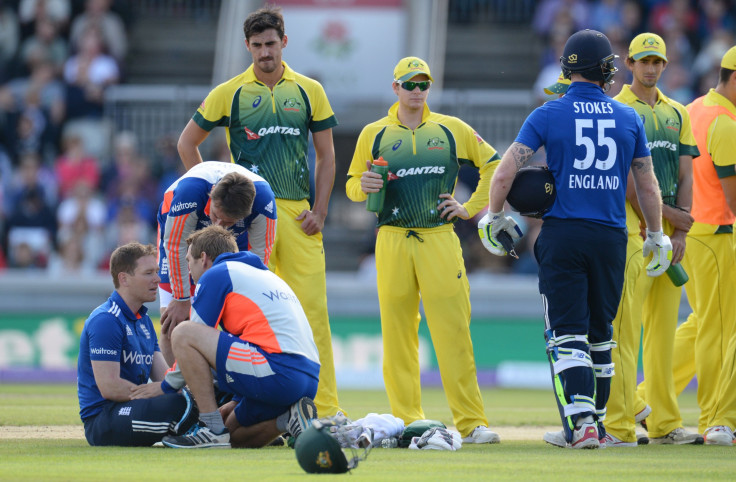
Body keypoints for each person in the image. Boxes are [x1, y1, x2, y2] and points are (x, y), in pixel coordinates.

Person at [482, 29, 670, 449]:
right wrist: (656, 234)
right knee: (601, 333)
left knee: (566, 333)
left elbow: (506, 171)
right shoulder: (629, 117)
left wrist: (493, 215)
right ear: (605, 69)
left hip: (564, 233)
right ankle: (596, 426)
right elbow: (647, 185)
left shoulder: (548, 113)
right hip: (611, 237)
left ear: (568, 69)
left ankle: (582, 424)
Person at [175, 5, 343, 417]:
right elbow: (186, 143)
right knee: (248, 308)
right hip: (248, 216)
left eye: (271, 44)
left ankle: (322, 410)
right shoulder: (229, 92)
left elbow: (326, 156)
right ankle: (254, 408)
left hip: (299, 216)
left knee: (312, 313)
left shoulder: (309, 90)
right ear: (247, 46)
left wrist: (320, 210)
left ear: (284, 42)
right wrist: (215, 198)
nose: (265, 52)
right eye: (257, 45)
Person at [346, 56, 501, 445]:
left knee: (453, 332)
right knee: (397, 334)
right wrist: (361, 186)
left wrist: (470, 207)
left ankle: (471, 422)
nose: (417, 91)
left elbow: (495, 165)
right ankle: (406, 419)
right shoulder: (374, 133)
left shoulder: (450, 129)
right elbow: (351, 184)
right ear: (395, 88)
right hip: (392, 238)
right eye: (409, 84)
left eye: (423, 84)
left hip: (438, 237)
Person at [131, 225, 320, 449]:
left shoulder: (217, 274)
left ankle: (211, 430)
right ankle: (289, 419)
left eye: (189, 261)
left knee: (182, 332)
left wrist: (165, 386)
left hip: (276, 368)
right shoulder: (265, 275)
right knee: (232, 431)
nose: (188, 270)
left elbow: (192, 338)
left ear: (204, 258)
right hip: (308, 378)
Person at [603, 32, 702, 447]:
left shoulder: (677, 111)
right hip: (633, 234)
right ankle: (620, 423)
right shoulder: (617, 109)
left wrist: (679, 233)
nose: (650, 68)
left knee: (662, 336)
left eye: (657, 61)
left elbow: (685, 175)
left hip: (669, 238)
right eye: (643, 60)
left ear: (665, 64)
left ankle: (663, 423)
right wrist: (665, 224)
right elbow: (628, 182)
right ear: (630, 63)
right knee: (626, 333)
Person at [77, 242, 197, 446]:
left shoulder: (144, 320)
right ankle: (199, 429)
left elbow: (165, 377)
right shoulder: (106, 320)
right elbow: (110, 387)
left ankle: (204, 426)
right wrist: (156, 394)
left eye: (157, 272)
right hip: (103, 419)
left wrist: (194, 391)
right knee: (177, 405)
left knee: (201, 395)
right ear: (124, 278)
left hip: (132, 408)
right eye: (148, 273)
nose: (158, 279)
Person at [157, 161, 275, 366]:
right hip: (181, 232)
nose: (217, 225)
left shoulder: (264, 202)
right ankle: (178, 392)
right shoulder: (190, 192)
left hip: (233, 240)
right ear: (211, 196)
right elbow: (175, 246)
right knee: (173, 322)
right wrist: (182, 298)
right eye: (215, 216)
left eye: (227, 222)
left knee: (237, 314)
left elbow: (258, 260)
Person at [678, 45, 736, 446]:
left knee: (701, 324)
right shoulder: (727, 123)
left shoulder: (695, 108)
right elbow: (734, 199)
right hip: (716, 235)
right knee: (718, 330)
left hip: (691, 232)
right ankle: (717, 419)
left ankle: (645, 398)